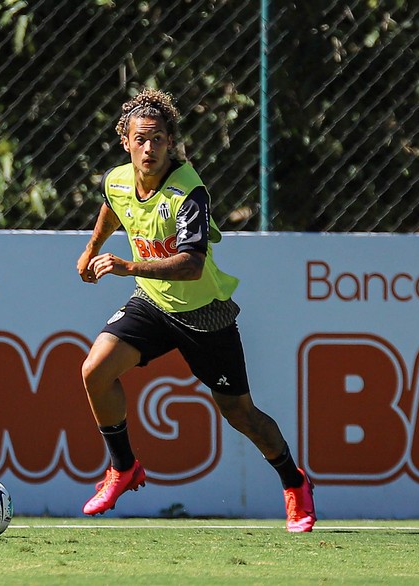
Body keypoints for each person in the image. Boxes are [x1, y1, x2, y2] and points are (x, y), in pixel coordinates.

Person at [76, 88, 316, 532]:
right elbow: (113, 207)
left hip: (204, 315)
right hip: (151, 302)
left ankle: (294, 481)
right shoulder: (117, 179)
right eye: (142, 139)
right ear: (126, 143)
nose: (150, 148)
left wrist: (128, 265)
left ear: (172, 142)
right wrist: (92, 247)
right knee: (95, 370)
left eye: (159, 139)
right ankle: (123, 467)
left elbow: (191, 264)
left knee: (240, 413)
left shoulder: (189, 192)